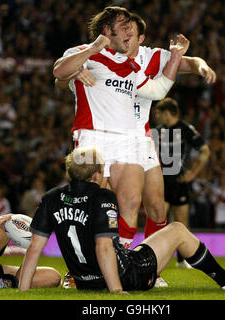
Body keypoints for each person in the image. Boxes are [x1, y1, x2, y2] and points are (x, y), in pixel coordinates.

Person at [52, 6, 188, 287]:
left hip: (126, 139)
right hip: (93, 137)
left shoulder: (131, 66)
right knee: (90, 207)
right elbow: (59, 71)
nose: (130, 31)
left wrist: (176, 57)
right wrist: (91, 51)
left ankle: (121, 264)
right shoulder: (83, 53)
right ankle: (80, 270)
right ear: (106, 30)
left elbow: (158, 91)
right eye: (123, 26)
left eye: (130, 27)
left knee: (129, 203)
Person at [18, 146, 225, 292]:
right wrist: (117, 291)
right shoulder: (103, 197)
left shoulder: (51, 198)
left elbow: (34, 249)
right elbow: (103, 248)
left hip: (85, 280)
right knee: (178, 229)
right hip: (126, 276)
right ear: (98, 174)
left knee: (138, 247)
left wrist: (23, 291)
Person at [154, 97, 211, 267]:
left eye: (158, 113)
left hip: (179, 182)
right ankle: (156, 258)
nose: (156, 116)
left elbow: (205, 150)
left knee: (181, 222)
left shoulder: (186, 129)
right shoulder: (156, 131)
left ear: (167, 112)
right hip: (161, 183)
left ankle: (182, 259)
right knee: (159, 222)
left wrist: (193, 173)